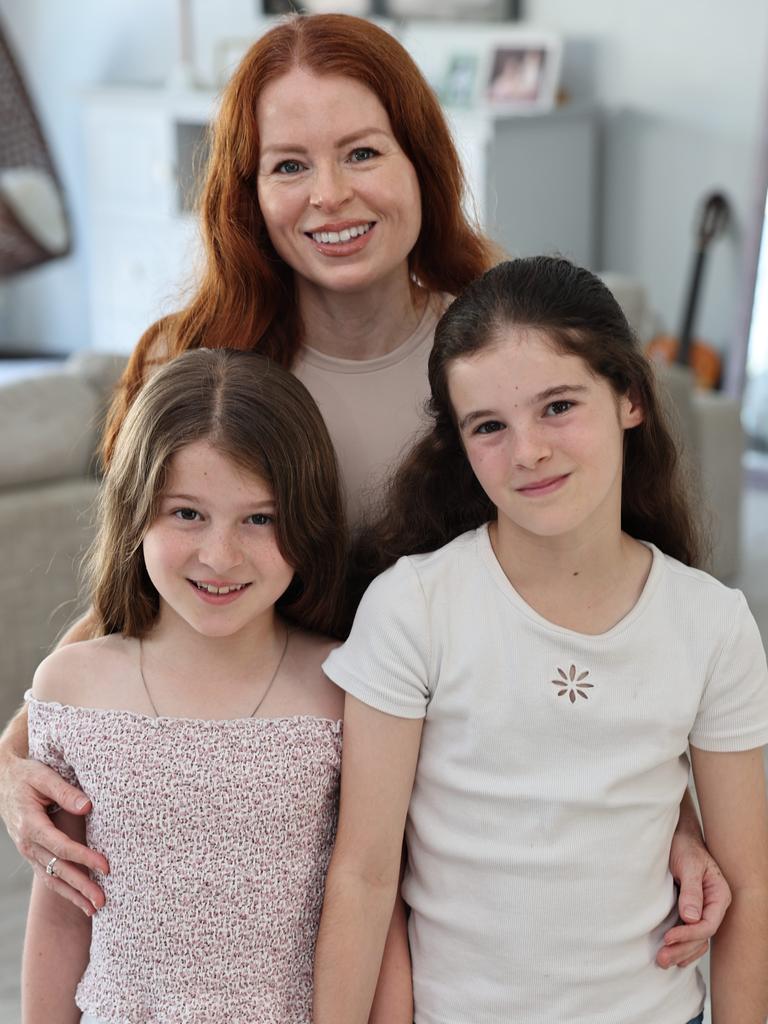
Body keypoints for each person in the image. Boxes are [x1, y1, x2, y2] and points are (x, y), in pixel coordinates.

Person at [1, 13, 725, 967]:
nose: (329, 196)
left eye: (361, 152)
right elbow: (136, 596)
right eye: (289, 165)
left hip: (480, 814)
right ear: (248, 191)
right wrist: (18, 751)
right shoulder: (201, 365)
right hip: (271, 812)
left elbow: (607, 587)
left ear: (422, 160)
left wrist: (663, 805)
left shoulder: (504, 358)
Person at [313, 257, 768, 1024]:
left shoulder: (711, 623)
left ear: (629, 397)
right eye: (488, 426)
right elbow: (362, 873)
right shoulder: (414, 609)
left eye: (558, 406)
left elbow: (748, 883)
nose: (527, 451)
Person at [21, 348, 412, 1024]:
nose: (221, 556)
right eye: (187, 514)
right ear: (136, 510)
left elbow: (380, 904)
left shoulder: (349, 686)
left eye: (259, 518)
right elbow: (60, 910)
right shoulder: (73, 683)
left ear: (306, 521)